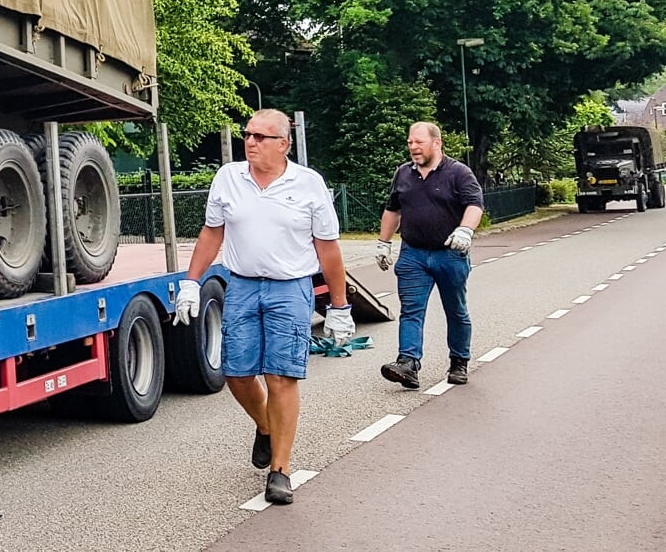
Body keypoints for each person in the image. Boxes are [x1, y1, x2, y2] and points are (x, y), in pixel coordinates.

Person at [175, 109, 352, 506]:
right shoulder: (228, 178)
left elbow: (328, 248)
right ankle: (266, 426)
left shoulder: (309, 185)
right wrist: (191, 282)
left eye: (260, 137)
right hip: (241, 286)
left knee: (280, 376)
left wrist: (339, 306)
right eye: (248, 135)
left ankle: (280, 471)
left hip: (290, 288)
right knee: (236, 374)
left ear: (283, 144)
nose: (250, 142)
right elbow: (212, 232)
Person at [374, 121, 483, 389]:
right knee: (411, 310)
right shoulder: (403, 174)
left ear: (436, 143)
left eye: (418, 142)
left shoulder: (459, 173)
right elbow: (392, 210)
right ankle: (408, 363)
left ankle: (459, 361)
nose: (413, 147)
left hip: (449, 254)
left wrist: (465, 230)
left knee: (455, 310)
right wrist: (383, 243)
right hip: (413, 254)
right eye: (410, 142)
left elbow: (475, 205)